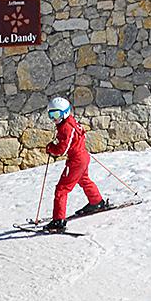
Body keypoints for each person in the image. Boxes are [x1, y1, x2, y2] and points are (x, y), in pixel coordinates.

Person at [42, 95, 107, 232]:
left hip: (76, 160)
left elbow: (62, 149)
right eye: (51, 115)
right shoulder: (69, 122)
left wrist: (51, 148)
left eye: (56, 114)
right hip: (81, 157)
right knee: (84, 180)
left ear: (65, 112)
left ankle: (58, 220)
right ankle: (97, 202)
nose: (54, 118)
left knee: (62, 189)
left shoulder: (66, 128)